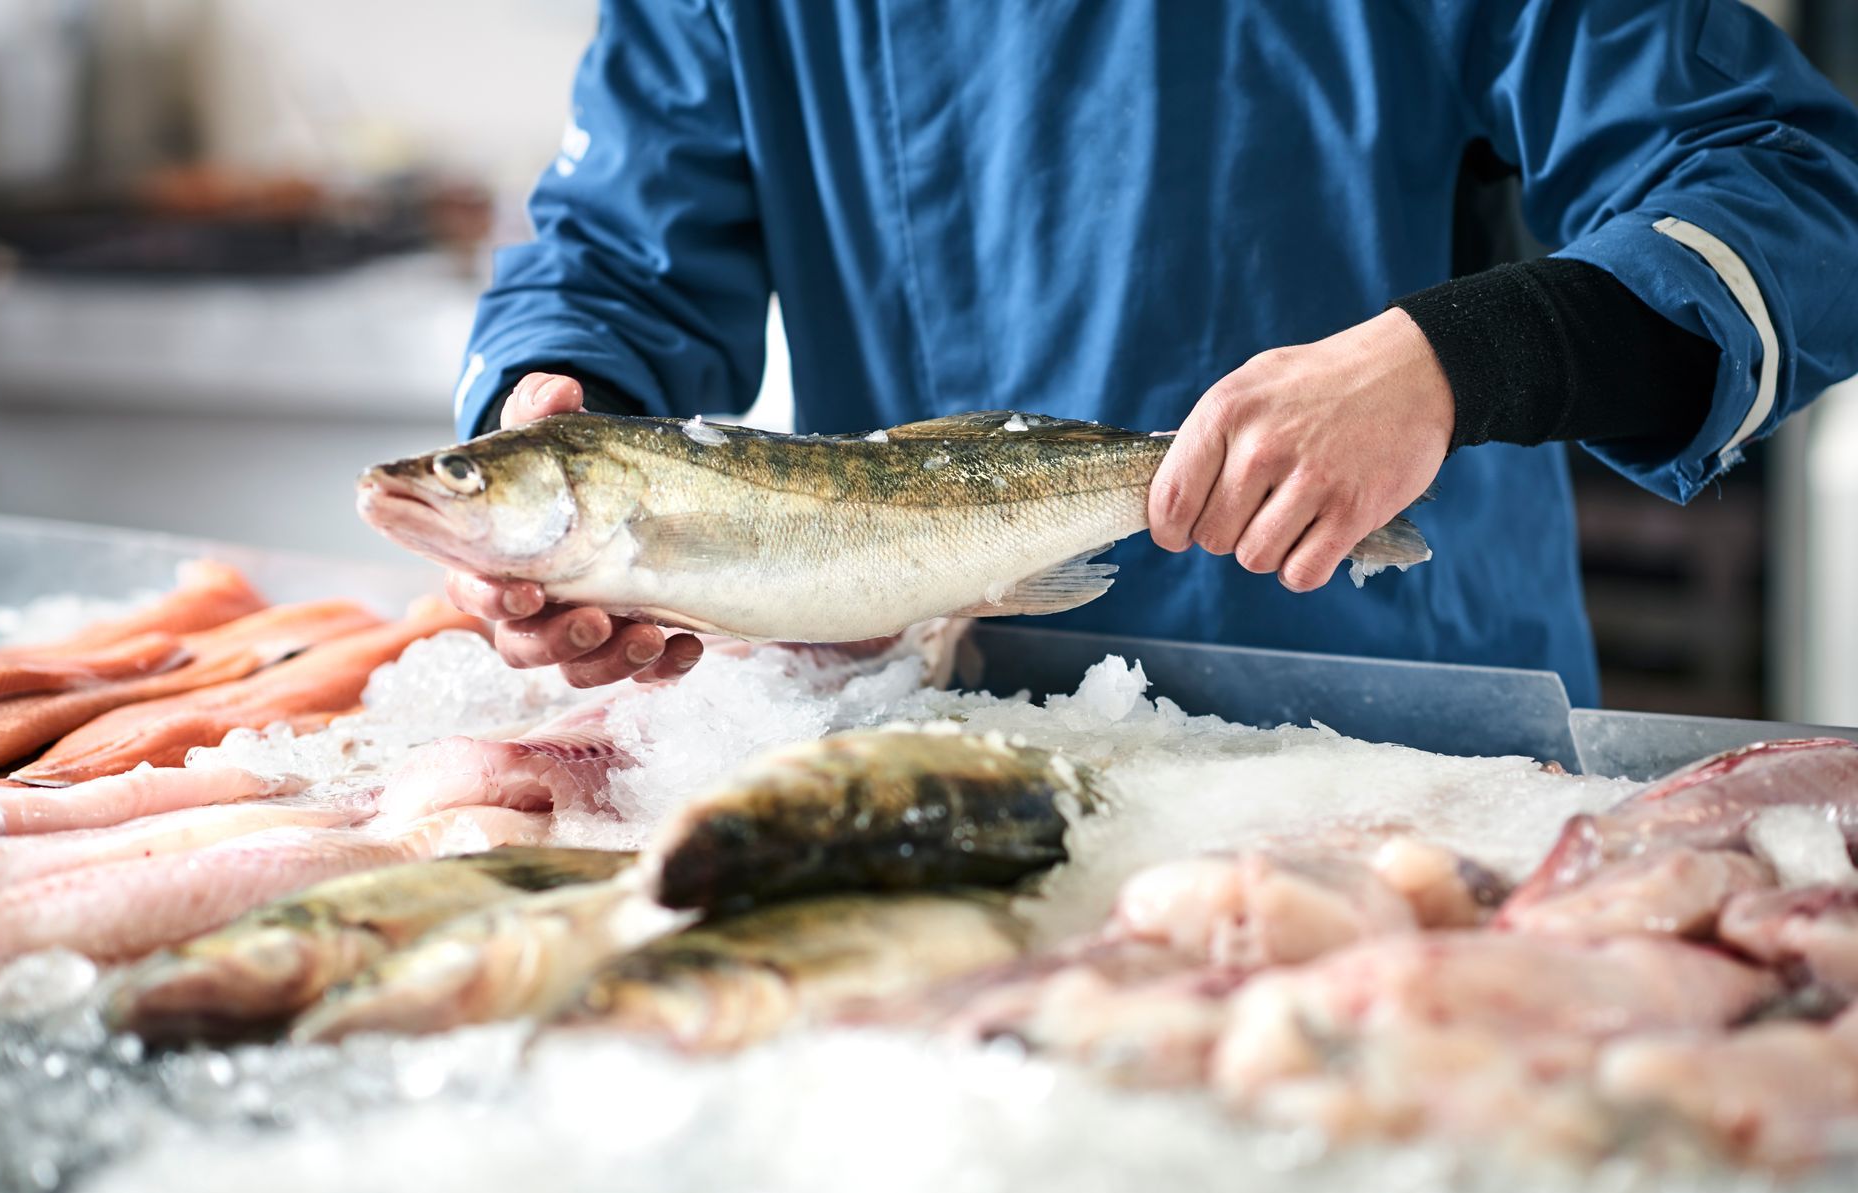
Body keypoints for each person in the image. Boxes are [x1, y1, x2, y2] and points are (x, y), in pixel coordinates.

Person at [445, 0, 1858, 703]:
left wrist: (1456, 358)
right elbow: (618, 259)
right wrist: (564, 428)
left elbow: (1787, 182)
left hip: (1397, 728)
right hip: (941, 728)